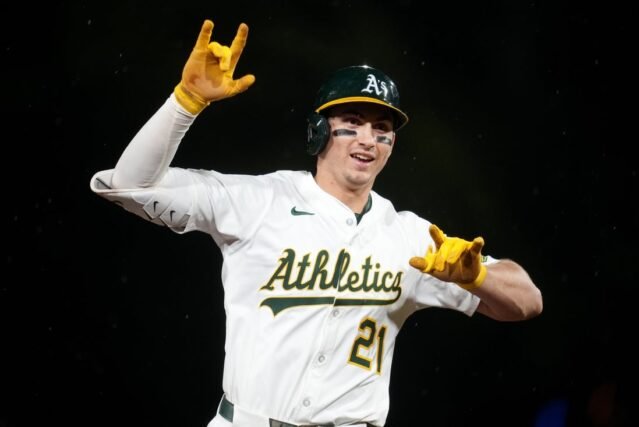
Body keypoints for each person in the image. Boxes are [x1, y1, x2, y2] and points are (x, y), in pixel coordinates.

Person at [90, 18, 543, 427]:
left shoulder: (411, 237)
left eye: (382, 128)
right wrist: (184, 104)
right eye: (352, 122)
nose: (368, 139)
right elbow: (129, 185)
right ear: (319, 131)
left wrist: (479, 277)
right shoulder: (260, 200)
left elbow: (528, 301)